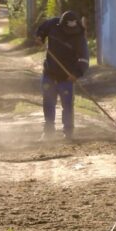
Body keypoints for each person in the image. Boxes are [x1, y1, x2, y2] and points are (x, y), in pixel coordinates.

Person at [35, 10, 89, 139]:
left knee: (67, 104)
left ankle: (68, 132)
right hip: (50, 73)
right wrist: (40, 37)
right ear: (62, 24)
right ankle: (48, 131)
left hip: (67, 77)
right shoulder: (53, 24)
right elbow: (42, 29)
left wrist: (76, 74)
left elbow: (84, 60)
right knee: (48, 102)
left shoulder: (79, 36)